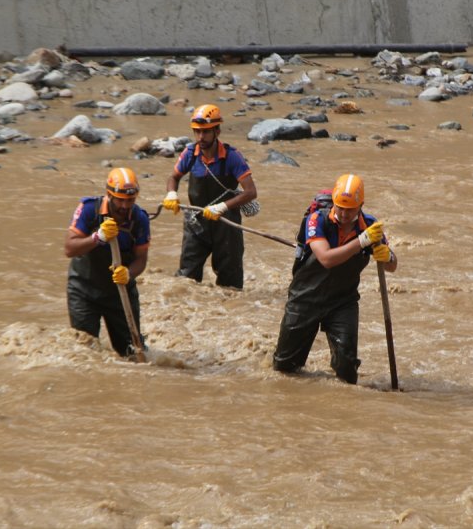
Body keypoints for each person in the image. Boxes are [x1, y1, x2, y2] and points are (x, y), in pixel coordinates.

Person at [272, 173, 397, 384]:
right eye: (340, 207)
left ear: (361, 205)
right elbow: (326, 259)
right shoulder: (316, 220)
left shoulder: (369, 225)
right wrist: (362, 241)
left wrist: (388, 255)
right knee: (285, 368)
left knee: (346, 369)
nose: (344, 213)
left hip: (343, 301)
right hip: (305, 298)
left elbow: (392, 266)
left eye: (350, 209)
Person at [162, 104, 258, 289]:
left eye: (205, 132)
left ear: (217, 131)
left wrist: (222, 207)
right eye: (197, 132)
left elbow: (250, 192)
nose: (200, 137)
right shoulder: (190, 154)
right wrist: (171, 193)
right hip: (196, 221)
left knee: (230, 280)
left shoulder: (232, 157)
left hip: (226, 222)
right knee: (186, 278)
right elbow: (174, 177)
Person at [63, 167, 150, 357]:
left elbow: (141, 258)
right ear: (109, 195)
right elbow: (69, 248)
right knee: (86, 351)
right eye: (120, 200)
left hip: (120, 293)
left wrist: (129, 274)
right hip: (84, 290)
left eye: (130, 200)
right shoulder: (88, 210)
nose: (125, 206)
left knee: (133, 352)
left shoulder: (139, 219)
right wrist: (97, 238)